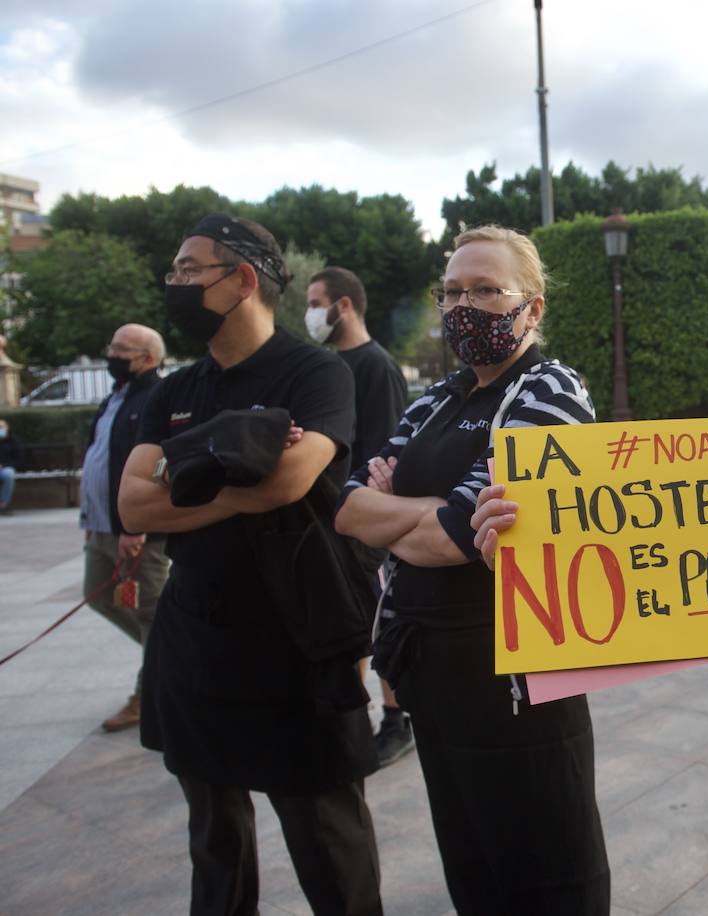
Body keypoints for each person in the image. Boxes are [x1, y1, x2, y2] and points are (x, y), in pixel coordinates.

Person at [336, 225, 609, 915]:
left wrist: (404, 508)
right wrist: (434, 516)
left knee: (548, 872)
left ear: (533, 307)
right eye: (453, 291)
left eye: (487, 289)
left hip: (516, 683)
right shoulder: (434, 399)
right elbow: (350, 510)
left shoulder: (551, 389)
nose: (466, 305)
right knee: (472, 863)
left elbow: (451, 538)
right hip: (431, 674)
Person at [119, 213, 382, 916]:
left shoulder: (315, 371)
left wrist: (187, 469)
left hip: (296, 641)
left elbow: (289, 482)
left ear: (240, 280)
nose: (172, 284)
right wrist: (236, 461)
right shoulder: (175, 390)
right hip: (196, 636)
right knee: (214, 841)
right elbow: (133, 506)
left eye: (186, 270)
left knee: (327, 843)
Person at [304, 265, 414, 767]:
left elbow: (388, 450)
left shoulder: (375, 366)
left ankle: (397, 720)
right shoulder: (326, 365)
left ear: (343, 305)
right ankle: (358, 718)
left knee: (377, 621)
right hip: (329, 519)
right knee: (351, 625)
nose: (311, 312)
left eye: (315, 300)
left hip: (363, 522)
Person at [81, 323, 171, 732]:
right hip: (102, 527)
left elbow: (150, 468)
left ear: (148, 359)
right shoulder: (116, 397)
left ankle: (150, 694)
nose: (112, 356)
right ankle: (173, 657)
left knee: (150, 611)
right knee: (98, 595)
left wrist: (134, 526)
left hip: (135, 532)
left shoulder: (154, 397)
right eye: (112, 346)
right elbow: (102, 456)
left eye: (123, 350)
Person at [0, 418, 19, 514]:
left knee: (9, 475)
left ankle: (3, 503)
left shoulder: (13, 441)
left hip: (6, 468)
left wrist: (3, 465)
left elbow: (19, 459)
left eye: (1, 427)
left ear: (7, 427)